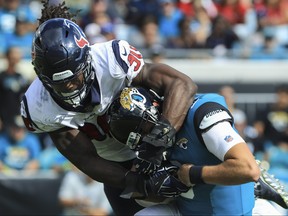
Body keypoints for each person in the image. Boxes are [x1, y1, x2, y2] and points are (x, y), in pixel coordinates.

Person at [20, 1, 197, 215]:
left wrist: (160, 138)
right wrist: (140, 183)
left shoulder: (111, 59)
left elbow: (182, 84)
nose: (68, 87)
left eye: (74, 78)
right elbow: (86, 159)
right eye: (58, 83)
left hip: (166, 143)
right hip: (118, 168)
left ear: (86, 59)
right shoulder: (38, 106)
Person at [107, 86, 288, 215]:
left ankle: (252, 187)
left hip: (239, 210)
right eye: (137, 135)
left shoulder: (201, 113)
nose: (145, 139)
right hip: (188, 208)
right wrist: (158, 187)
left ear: (155, 107)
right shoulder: (144, 145)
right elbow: (138, 195)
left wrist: (191, 174)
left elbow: (248, 169)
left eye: (144, 128)